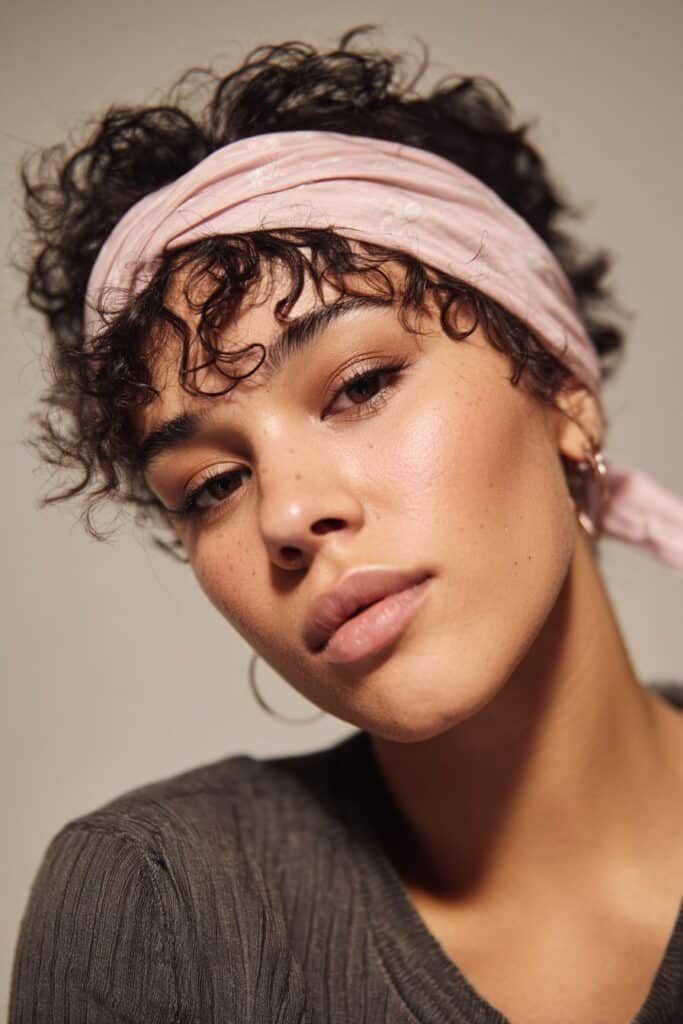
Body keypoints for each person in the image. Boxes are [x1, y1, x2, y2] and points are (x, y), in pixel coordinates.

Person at [9, 27, 683, 1024]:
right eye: (210, 487)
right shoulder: (164, 905)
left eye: (359, 385)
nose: (287, 513)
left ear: (561, 389)